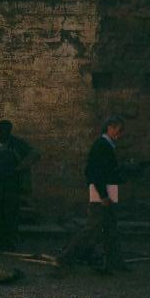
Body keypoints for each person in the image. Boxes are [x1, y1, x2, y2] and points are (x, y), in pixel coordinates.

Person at [54, 115, 129, 274]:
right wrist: (103, 195)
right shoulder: (102, 146)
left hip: (105, 191)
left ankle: (115, 263)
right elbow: (95, 173)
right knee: (92, 228)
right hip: (102, 192)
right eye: (119, 130)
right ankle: (66, 257)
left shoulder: (105, 145)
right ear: (110, 127)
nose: (120, 134)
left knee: (110, 228)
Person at [0, 120, 40, 249]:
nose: (4, 132)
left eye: (7, 130)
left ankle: (10, 241)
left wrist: (20, 167)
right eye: (2, 130)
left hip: (12, 184)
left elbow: (35, 154)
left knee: (11, 213)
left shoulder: (17, 143)